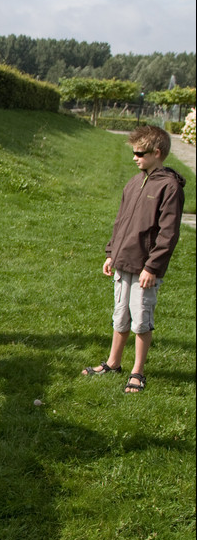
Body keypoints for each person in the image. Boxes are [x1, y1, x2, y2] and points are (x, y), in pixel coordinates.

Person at [81, 124, 185, 394]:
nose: (135, 157)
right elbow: (121, 222)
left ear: (157, 152)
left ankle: (137, 371)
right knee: (120, 316)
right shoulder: (133, 182)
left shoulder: (169, 186)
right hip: (123, 261)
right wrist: (110, 253)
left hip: (144, 269)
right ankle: (113, 363)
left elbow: (168, 233)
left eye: (140, 153)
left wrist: (152, 267)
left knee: (140, 320)